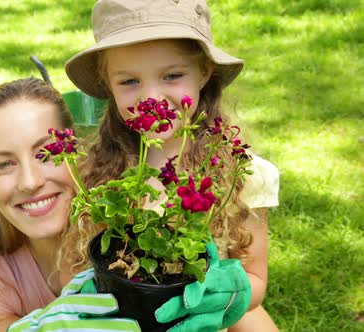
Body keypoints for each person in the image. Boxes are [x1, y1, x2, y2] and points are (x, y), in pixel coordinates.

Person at [63, 0, 280, 331]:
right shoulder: (96, 178)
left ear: (204, 72)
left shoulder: (244, 174)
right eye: (129, 81)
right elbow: (86, 267)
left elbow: (255, 280)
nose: (153, 97)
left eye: (173, 75)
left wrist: (228, 295)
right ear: (107, 83)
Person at [0, 78, 140, 331]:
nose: (29, 182)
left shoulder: (130, 232)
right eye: (4, 164)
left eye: (45, 153)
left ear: (77, 151)